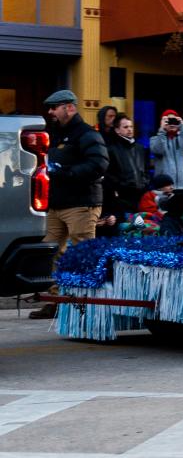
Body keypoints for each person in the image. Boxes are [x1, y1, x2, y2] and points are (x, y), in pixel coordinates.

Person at [30, 90, 110, 319]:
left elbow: (99, 163)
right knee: (51, 252)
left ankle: (90, 303)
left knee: (84, 252)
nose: (50, 112)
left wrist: (67, 173)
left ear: (70, 108)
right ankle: (55, 301)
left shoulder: (86, 134)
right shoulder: (55, 134)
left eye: (54, 107)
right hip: (57, 204)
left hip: (81, 204)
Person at [105, 114, 148, 216]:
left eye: (131, 126)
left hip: (141, 196)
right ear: (117, 130)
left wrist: (145, 182)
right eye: (125, 127)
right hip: (123, 197)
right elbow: (108, 174)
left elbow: (145, 169)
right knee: (126, 226)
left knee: (141, 227)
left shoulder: (140, 148)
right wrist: (122, 186)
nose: (129, 129)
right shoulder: (111, 149)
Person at [149, 110, 183, 194]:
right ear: (162, 122)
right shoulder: (155, 139)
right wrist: (162, 130)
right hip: (164, 187)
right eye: (168, 121)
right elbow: (158, 150)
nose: (171, 123)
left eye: (174, 120)